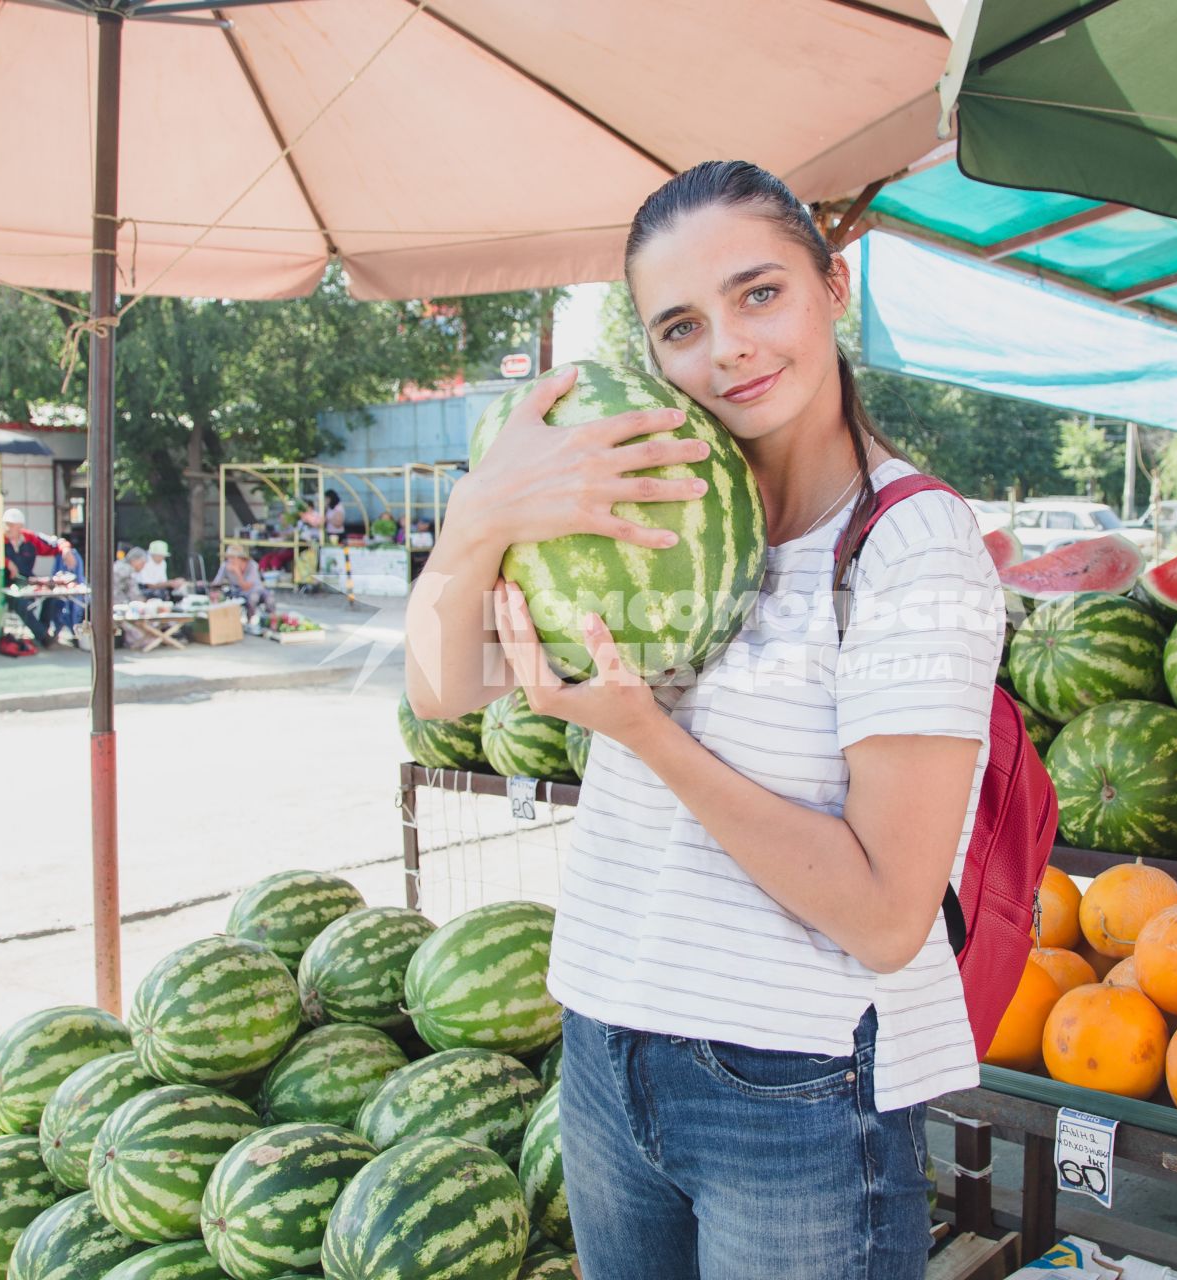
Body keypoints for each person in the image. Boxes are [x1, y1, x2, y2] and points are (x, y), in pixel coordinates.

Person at [405, 161, 1000, 1279]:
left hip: (794, 1091)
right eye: (680, 324)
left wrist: (644, 732)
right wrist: (481, 510)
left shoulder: (913, 547)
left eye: (758, 293)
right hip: (604, 1040)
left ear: (833, 285)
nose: (725, 346)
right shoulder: (642, 489)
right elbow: (442, 688)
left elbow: (884, 913)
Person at [0, 507, 60, 647]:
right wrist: (6, 562)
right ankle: (44, 637)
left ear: (20, 526)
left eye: (12, 525)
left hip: (28, 581)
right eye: (6, 524)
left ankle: (43, 630)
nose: (8, 528)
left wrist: (67, 551)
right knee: (20, 602)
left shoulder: (30, 538)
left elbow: (55, 544)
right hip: (5, 584)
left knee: (53, 596)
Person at [209, 543, 270, 619]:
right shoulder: (226, 565)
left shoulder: (252, 565)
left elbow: (247, 588)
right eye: (228, 557)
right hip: (238, 592)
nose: (230, 560)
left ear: (240, 558)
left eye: (233, 557)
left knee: (255, 598)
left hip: (255, 590)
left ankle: (253, 622)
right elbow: (217, 582)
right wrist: (213, 589)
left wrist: (237, 572)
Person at [43, 538, 87, 640]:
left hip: (74, 591)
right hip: (59, 590)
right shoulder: (59, 557)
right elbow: (55, 576)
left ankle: (75, 631)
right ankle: (49, 633)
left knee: (75, 604)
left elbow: (79, 579)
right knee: (51, 602)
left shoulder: (75, 557)